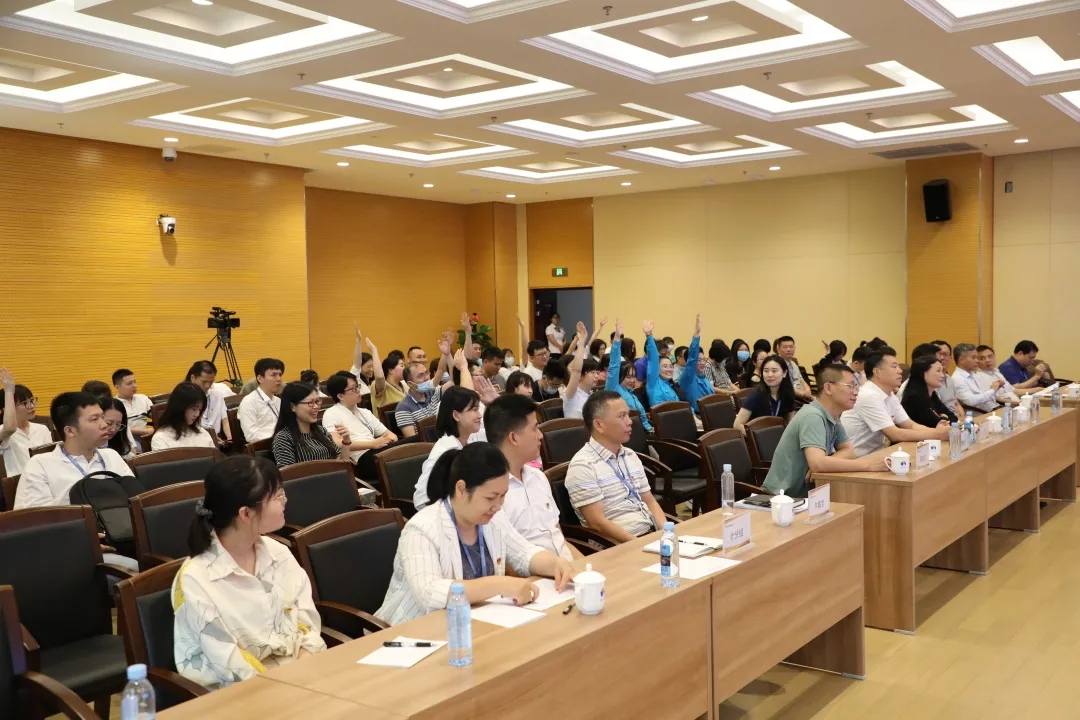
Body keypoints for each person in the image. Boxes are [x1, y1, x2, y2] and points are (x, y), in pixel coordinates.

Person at [375, 443, 573, 626]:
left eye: (503, 495)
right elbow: (429, 593)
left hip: (477, 621)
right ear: (461, 489)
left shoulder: (493, 517)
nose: (498, 505)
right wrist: (499, 584)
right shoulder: (422, 528)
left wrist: (555, 563)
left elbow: (523, 552)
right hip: (416, 630)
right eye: (490, 497)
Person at [172, 456, 325, 688]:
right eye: (278, 496)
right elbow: (231, 668)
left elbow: (307, 621)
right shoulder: (197, 578)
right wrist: (290, 685)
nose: (285, 501)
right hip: (241, 693)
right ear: (246, 514)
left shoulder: (278, 553)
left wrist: (304, 666)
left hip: (300, 675)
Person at [763, 365, 888, 497]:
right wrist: (868, 465)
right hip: (781, 499)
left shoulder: (832, 416)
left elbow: (849, 451)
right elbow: (818, 464)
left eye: (856, 387)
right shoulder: (812, 416)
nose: (856, 392)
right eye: (850, 386)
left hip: (808, 495)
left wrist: (825, 463)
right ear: (828, 388)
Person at [565, 391, 667, 542]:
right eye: (622, 416)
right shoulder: (583, 466)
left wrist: (667, 534)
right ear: (599, 425)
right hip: (619, 545)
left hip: (650, 534)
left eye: (628, 415)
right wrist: (639, 544)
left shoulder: (630, 455)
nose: (630, 421)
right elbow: (597, 523)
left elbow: (650, 501)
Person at [486, 394, 577, 561]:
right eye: (535, 428)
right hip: (535, 573)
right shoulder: (491, 493)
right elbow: (505, 561)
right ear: (514, 438)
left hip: (566, 565)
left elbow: (559, 538)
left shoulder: (538, 477)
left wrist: (584, 566)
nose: (541, 435)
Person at [14, 392, 134, 508]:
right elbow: (33, 518)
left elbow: (135, 499)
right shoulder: (40, 465)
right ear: (70, 431)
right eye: (94, 419)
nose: (104, 425)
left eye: (102, 417)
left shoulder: (111, 455)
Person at [840, 347, 950, 458]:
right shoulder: (868, 395)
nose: (900, 370)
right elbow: (894, 434)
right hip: (856, 459)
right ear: (877, 372)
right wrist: (938, 434)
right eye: (894, 366)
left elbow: (910, 425)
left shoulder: (889, 394)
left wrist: (938, 432)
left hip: (877, 454)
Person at [413, 386, 484, 510]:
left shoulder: (471, 437)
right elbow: (421, 500)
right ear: (456, 415)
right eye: (474, 410)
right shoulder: (445, 450)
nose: (479, 415)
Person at [322, 371, 400, 481]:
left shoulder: (365, 412)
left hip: (379, 451)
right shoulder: (331, 413)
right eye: (353, 389)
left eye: (357, 386)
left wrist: (388, 440)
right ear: (340, 396)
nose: (358, 391)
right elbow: (337, 443)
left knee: (414, 445)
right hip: (361, 460)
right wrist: (372, 444)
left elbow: (390, 435)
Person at [396, 339, 468, 437]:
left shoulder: (433, 392)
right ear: (410, 384)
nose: (426, 378)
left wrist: (447, 355)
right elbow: (413, 439)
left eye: (426, 373)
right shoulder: (403, 408)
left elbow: (454, 381)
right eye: (420, 376)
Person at [271, 382, 351, 468]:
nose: (316, 406)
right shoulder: (283, 438)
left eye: (317, 401)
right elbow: (288, 474)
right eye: (310, 402)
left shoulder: (321, 430)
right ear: (293, 406)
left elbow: (341, 464)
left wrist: (346, 441)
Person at [606, 320, 653, 432]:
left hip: (645, 432)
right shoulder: (613, 389)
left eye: (634, 376)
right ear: (619, 376)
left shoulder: (631, 394)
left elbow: (643, 421)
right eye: (628, 377)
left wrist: (649, 336)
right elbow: (614, 364)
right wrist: (617, 339)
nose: (632, 380)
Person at [734, 354, 796, 434]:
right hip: (760, 438)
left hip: (779, 437)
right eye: (766, 371)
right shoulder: (756, 395)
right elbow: (737, 425)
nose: (770, 375)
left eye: (774, 371)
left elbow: (790, 424)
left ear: (784, 373)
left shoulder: (788, 394)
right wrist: (755, 437)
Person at [151, 382, 216, 451]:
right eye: (194, 409)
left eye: (200, 409)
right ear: (180, 408)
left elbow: (214, 456)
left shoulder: (202, 433)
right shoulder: (161, 439)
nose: (197, 414)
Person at [900, 355, 958, 428]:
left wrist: (943, 417)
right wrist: (944, 416)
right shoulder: (915, 398)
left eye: (942, 371)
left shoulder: (932, 395)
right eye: (938, 371)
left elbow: (953, 417)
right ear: (923, 373)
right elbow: (936, 424)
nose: (942, 375)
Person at [186, 360, 231, 450]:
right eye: (204, 382)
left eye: (211, 382)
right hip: (196, 443)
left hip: (218, 443)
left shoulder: (217, 395)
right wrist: (208, 437)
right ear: (193, 378)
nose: (207, 385)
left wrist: (230, 438)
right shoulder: (184, 397)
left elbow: (225, 421)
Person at [237, 358, 284, 443]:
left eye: (280, 375)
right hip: (263, 447)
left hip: (281, 443)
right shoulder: (249, 402)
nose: (279, 379)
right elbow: (251, 436)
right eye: (274, 375)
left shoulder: (278, 401)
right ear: (260, 379)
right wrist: (280, 438)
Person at [563, 322, 603, 419]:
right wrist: (581, 341)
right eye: (592, 373)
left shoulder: (592, 395)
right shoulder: (572, 393)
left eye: (597, 373)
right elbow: (576, 371)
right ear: (581, 376)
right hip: (575, 428)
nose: (596, 376)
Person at [952, 343, 1003, 413]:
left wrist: (995, 388)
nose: (977, 361)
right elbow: (970, 401)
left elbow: (984, 395)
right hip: (982, 413)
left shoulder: (973, 374)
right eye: (973, 358)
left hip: (994, 407)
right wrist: (992, 390)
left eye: (976, 358)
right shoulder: (957, 379)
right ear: (961, 359)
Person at [642, 319, 681, 408]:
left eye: (671, 366)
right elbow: (653, 358)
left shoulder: (670, 385)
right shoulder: (653, 382)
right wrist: (649, 335)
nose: (669, 369)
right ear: (657, 369)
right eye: (665, 366)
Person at [113, 369, 153, 450]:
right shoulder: (114, 404)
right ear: (117, 387)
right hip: (127, 438)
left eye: (135, 382)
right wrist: (144, 431)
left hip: (147, 436)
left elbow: (156, 417)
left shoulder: (143, 398)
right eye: (129, 383)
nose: (134, 386)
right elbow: (118, 427)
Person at [366, 336, 407, 414]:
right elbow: (379, 377)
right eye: (402, 365)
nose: (405, 368)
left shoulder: (405, 386)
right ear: (391, 370)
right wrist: (374, 350)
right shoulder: (381, 386)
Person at [773, 336, 812, 401]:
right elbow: (787, 387)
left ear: (794, 348)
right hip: (791, 399)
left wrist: (808, 389)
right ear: (778, 350)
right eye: (785, 347)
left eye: (791, 347)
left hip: (802, 396)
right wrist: (804, 395)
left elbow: (801, 380)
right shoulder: (777, 365)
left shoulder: (793, 363)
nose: (788, 350)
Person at [350, 325, 375, 396]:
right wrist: (358, 340)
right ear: (360, 366)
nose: (371, 369)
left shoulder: (373, 382)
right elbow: (357, 360)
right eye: (368, 366)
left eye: (372, 366)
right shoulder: (356, 378)